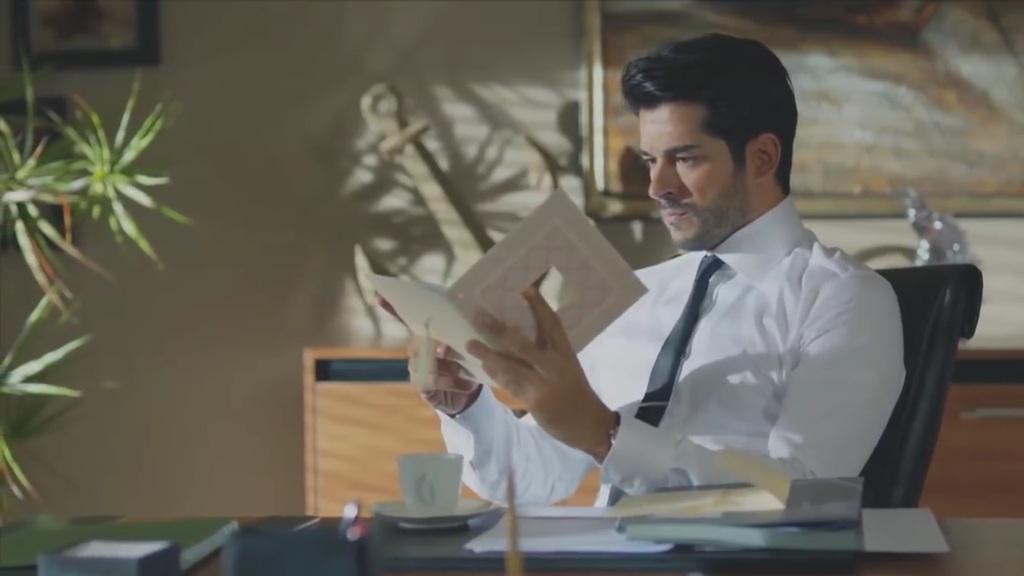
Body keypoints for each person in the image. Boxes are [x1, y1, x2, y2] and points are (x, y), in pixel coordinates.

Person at [393, 33, 905, 506]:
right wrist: (467, 408)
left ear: (763, 157)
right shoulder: (637, 294)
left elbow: (803, 491)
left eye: (685, 159)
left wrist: (606, 436)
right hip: (603, 556)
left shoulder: (844, 300)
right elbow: (532, 479)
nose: (658, 187)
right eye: (650, 160)